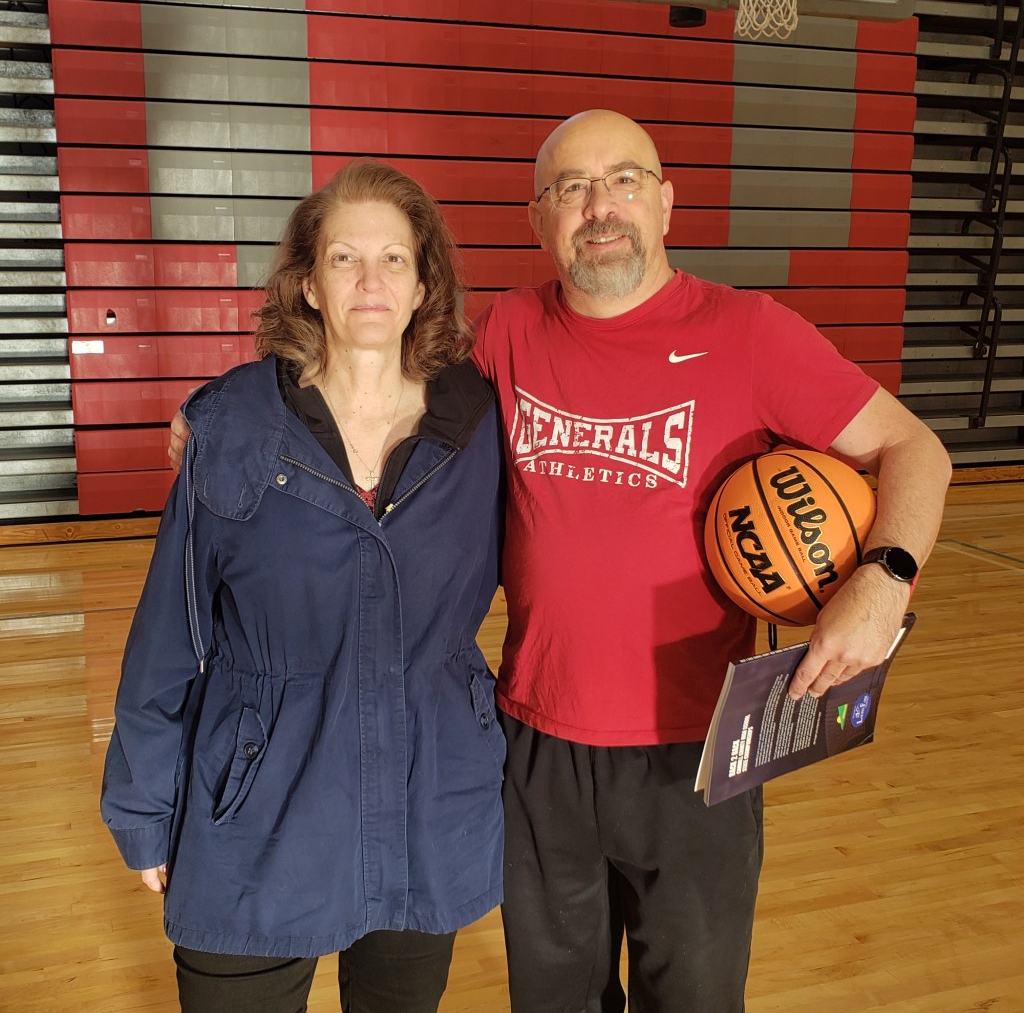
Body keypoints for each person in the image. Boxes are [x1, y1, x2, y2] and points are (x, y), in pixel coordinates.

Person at [170, 111, 952, 1013]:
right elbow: (368, 365)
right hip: (534, 747)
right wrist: (223, 410)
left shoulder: (751, 332)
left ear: (666, 203)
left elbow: (915, 447)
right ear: (540, 218)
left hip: (694, 750)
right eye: (571, 188)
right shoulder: (509, 331)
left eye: (624, 180)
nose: (600, 206)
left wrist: (884, 580)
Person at [103, 159, 505, 1013]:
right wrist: (142, 806)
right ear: (310, 285)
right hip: (258, 793)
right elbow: (169, 633)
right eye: (344, 259)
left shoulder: (478, 428)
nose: (370, 281)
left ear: (423, 284)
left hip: (427, 796)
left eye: (394, 259)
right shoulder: (234, 426)